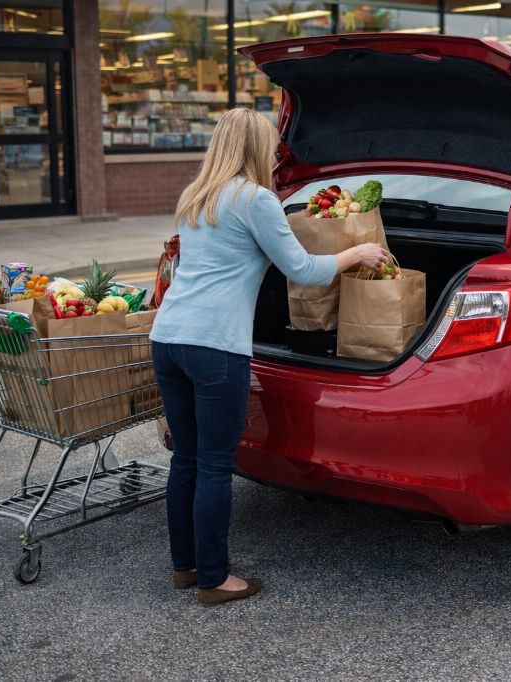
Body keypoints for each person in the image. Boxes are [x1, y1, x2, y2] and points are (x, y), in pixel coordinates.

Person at [150, 108, 387, 606]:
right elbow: (304, 270)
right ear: (257, 149)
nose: (279, 153)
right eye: (274, 145)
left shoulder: (197, 196)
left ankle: (186, 567)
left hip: (169, 337)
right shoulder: (255, 200)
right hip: (215, 345)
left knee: (187, 460)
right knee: (215, 466)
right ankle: (216, 580)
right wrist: (357, 252)